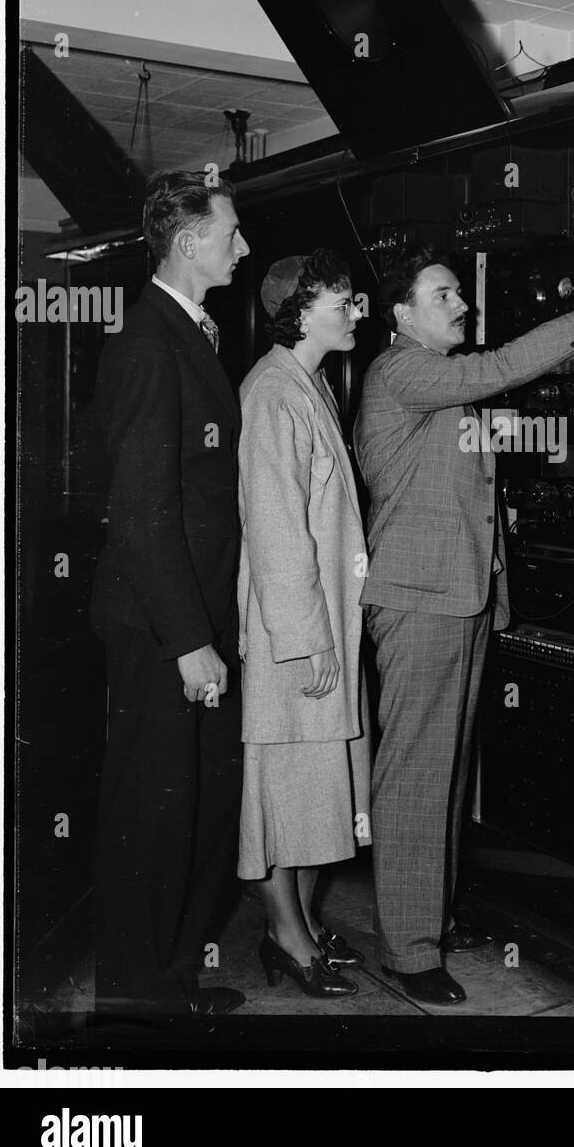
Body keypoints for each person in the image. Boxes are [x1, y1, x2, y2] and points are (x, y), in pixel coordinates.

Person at [354, 244, 574, 1005]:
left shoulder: (435, 386)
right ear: (401, 315)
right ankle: (410, 948)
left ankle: (427, 917)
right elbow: (494, 371)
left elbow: (481, 456)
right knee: (419, 775)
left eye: (460, 293)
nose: (463, 304)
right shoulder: (402, 370)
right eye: (445, 295)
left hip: (454, 594)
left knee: (447, 772)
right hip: (420, 598)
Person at [90, 171, 250, 1017]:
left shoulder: (188, 334)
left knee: (201, 806)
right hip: (163, 627)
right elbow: (145, 512)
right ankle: (134, 1000)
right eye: (231, 233)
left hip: (198, 615)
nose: (243, 246)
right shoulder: (148, 344)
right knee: (150, 815)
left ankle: (174, 978)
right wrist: (189, 641)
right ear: (187, 243)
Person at [236, 251, 371, 999]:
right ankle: (287, 939)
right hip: (301, 637)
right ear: (299, 310)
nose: (357, 312)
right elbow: (277, 528)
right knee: (289, 789)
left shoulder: (307, 384)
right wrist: (308, 638)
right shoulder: (272, 394)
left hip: (327, 628)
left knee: (319, 787)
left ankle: (305, 928)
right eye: (344, 302)